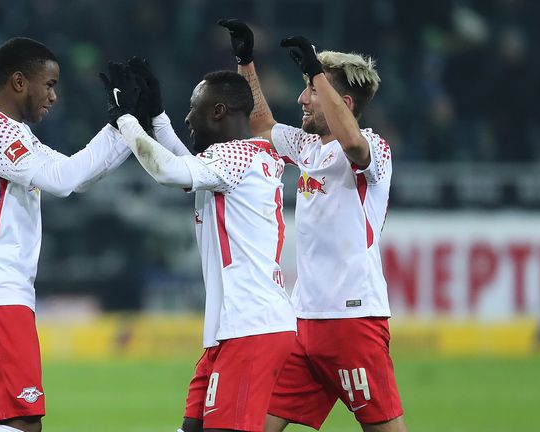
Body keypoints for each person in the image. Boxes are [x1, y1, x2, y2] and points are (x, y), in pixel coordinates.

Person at [217, 19, 406, 432]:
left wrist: (319, 71)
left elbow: (353, 145)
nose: (303, 98)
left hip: (353, 320)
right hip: (303, 322)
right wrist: (246, 63)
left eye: (313, 91)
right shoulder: (307, 145)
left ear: (346, 103)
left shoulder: (374, 148)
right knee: (254, 424)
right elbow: (261, 125)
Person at [99, 58, 296, 432]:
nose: (188, 118)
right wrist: (157, 118)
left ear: (219, 110)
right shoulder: (250, 157)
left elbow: (167, 170)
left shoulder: (236, 156)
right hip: (232, 328)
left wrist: (125, 118)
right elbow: (186, 162)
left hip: (250, 329)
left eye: (194, 108)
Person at [0, 37, 131, 432]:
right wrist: (122, 124)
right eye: (48, 84)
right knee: (24, 421)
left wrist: (127, 125)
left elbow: (77, 176)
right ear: (18, 82)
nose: (54, 96)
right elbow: (62, 181)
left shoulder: (14, 134)